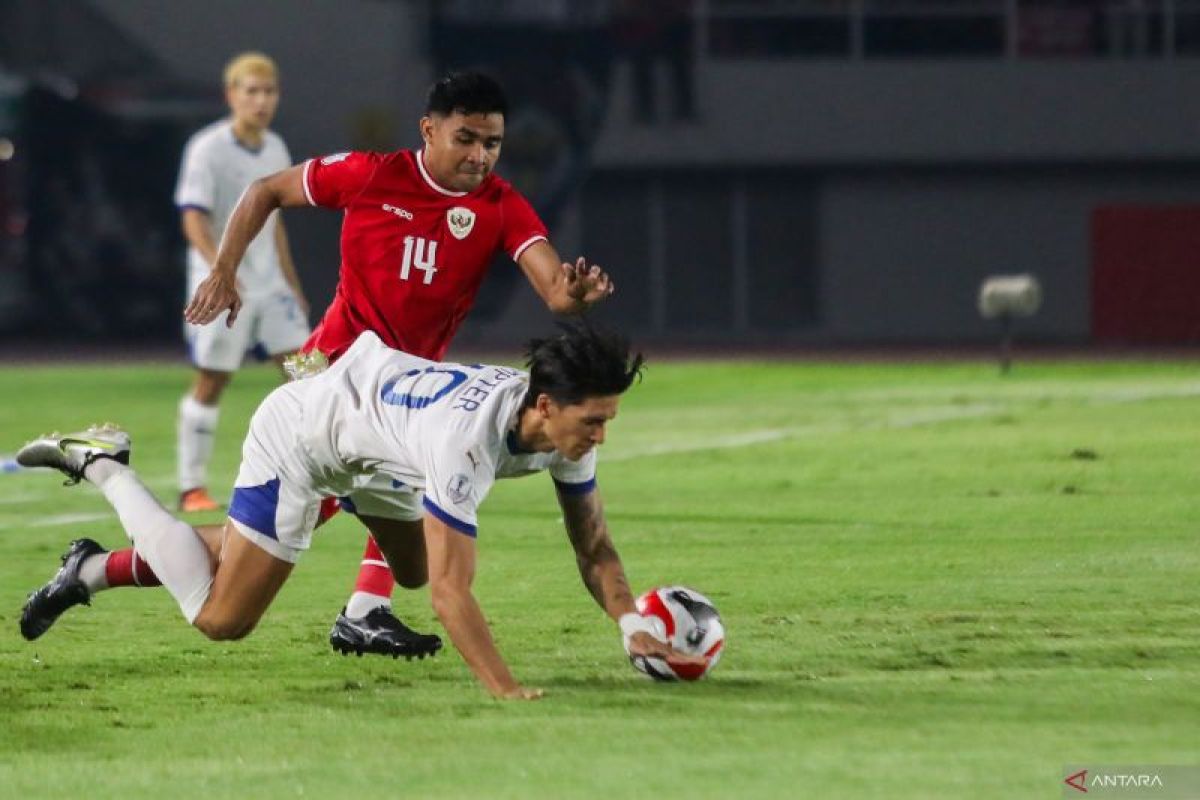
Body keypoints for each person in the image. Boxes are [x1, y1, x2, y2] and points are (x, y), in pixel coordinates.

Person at [21, 71, 615, 660]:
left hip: (407, 399)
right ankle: (110, 521)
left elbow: (555, 290)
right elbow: (265, 192)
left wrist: (575, 295)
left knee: (365, 548)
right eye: (466, 138)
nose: (480, 155)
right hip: (331, 388)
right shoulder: (373, 174)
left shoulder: (500, 205)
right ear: (429, 130)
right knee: (242, 565)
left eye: (492, 143)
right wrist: (224, 271)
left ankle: (99, 568)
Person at [14, 323, 701, 699]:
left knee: (401, 567)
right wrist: (504, 689)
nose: (601, 436)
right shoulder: (466, 445)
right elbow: (450, 593)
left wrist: (632, 625)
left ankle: (93, 568)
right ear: (545, 406)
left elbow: (595, 547)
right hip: (306, 438)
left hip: (378, 451)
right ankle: (101, 462)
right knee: (222, 618)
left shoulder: (559, 432)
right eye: (595, 420)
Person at [174, 51, 310, 513]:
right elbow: (193, 218)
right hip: (221, 284)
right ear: (231, 94)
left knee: (307, 376)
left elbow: (277, 224)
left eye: (268, 92)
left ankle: (315, 475)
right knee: (213, 379)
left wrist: (292, 283)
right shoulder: (206, 148)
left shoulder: (276, 148)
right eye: (251, 91)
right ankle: (192, 487)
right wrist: (221, 273)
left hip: (271, 286)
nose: (261, 100)